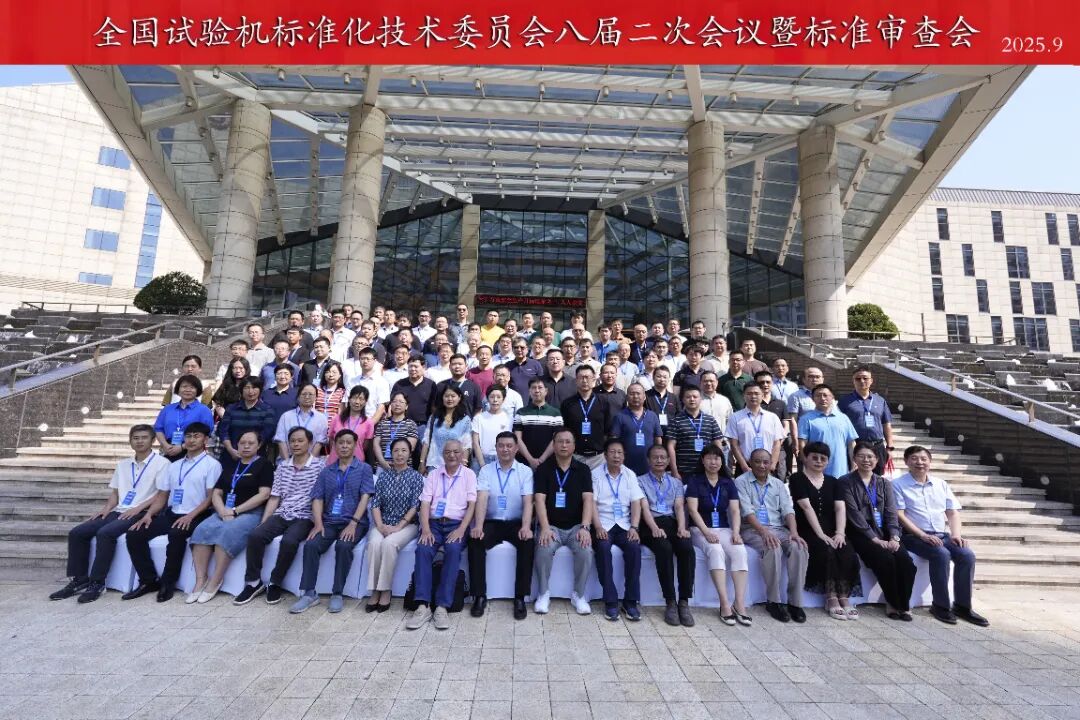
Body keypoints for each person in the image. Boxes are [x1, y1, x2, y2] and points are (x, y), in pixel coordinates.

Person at [49, 425, 168, 603]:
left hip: (141, 511)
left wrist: (139, 509)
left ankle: (97, 583)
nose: (139, 441)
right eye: (135, 438)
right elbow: (115, 493)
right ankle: (80, 579)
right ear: (130, 441)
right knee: (78, 532)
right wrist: (106, 509)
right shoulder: (123, 464)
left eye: (144, 437)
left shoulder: (162, 464)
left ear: (153, 441)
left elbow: (161, 494)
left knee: (105, 533)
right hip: (120, 510)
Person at [123, 422, 221, 602]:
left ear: (205, 440)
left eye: (196, 436)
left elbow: (210, 498)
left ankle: (168, 584)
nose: (191, 440)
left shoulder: (212, 465)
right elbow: (163, 495)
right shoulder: (174, 466)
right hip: (173, 512)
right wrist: (148, 515)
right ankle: (148, 580)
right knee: (135, 533)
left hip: (198, 514)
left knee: (176, 535)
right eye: (188, 436)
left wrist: (190, 516)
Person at [894, 445, 989, 626]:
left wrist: (956, 534)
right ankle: (940, 605)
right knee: (941, 553)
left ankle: (962, 606)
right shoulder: (898, 484)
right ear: (906, 462)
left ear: (930, 462)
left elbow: (952, 512)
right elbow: (900, 515)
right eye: (914, 459)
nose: (919, 462)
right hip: (913, 536)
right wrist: (922, 535)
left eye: (924, 459)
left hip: (941, 535)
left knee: (967, 555)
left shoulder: (941, 484)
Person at [288, 429, 376, 613]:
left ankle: (337, 593)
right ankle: (309, 593)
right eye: (340, 443)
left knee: (343, 546)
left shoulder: (364, 469)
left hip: (354, 522)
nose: (344, 446)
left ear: (355, 445)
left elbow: (365, 497)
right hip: (329, 522)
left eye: (348, 443)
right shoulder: (326, 471)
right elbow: (317, 498)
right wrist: (318, 523)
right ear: (334, 446)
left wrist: (353, 523)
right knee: (311, 545)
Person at [235, 427, 324, 606]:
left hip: (305, 516)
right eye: (292, 441)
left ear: (310, 443)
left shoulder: (319, 466)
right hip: (282, 513)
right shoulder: (283, 466)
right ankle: (253, 582)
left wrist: (318, 521)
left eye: (300, 440)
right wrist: (264, 521)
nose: (296, 444)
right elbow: (275, 497)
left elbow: (320, 498)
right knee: (256, 535)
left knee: (289, 541)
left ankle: (275, 582)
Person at [187, 430, 273, 604]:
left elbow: (264, 494)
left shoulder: (264, 465)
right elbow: (217, 493)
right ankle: (201, 579)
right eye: (242, 443)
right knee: (202, 530)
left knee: (227, 532)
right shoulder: (231, 465)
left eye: (251, 443)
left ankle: (216, 580)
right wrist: (222, 510)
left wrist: (235, 511)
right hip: (224, 511)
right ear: (237, 445)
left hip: (250, 513)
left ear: (259, 445)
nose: (246, 446)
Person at [406, 441, 478, 631]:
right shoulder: (433, 474)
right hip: (434, 524)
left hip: (456, 524)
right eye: (447, 452)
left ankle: (442, 606)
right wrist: (426, 529)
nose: (452, 455)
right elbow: (425, 504)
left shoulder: (469, 475)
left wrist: (462, 529)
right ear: (442, 454)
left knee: (453, 550)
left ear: (462, 454)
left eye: (456, 452)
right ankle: (422, 605)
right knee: (422, 549)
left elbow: (472, 505)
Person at [842, 441, 916, 621]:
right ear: (854, 459)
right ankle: (892, 603)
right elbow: (854, 514)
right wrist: (874, 539)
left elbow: (891, 512)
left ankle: (904, 604)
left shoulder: (884, 483)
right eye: (861, 456)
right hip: (861, 534)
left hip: (885, 532)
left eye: (870, 457)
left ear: (876, 460)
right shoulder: (845, 482)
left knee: (906, 562)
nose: (866, 460)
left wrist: (895, 537)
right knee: (885, 560)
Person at [789, 442, 862, 621]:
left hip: (832, 529)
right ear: (805, 458)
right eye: (814, 457)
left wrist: (840, 533)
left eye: (823, 458)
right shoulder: (797, 478)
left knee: (846, 551)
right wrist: (820, 534)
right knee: (826, 550)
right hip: (807, 529)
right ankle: (831, 598)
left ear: (828, 461)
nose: (818, 461)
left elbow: (840, 508)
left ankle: (843, 596)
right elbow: (806, 507)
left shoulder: (833, 481)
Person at [737, 448, 810, 624]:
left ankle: (795, 602)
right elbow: (747, 512)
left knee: (799, 547)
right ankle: (774, 601)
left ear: (771, 464)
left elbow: (788, 510)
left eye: (765, 462)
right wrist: (764, 532)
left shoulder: (777, 483)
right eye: (757, 461)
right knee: (773, 546)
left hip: (779, 528)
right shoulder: (741, 482)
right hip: (753, 529)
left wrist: (794, 533)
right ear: (750, 462)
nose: (762, 466)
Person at [468, 432, 535, 620]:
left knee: (528, 542)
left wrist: (526, 526)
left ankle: (520, 597)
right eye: (501, 445)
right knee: (475, 541)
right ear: (496, 448)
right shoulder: (486, 471)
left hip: (516, 523)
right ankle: (479, 596)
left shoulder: (525, 471)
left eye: (509, 446)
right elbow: (482, 498)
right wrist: (478, 525)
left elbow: (528, 501)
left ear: (516, 448)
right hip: (492, 522)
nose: (505, 449)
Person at [685, 445, 751, 626]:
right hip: (700, 529)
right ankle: (724, 603)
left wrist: (736, 532)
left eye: (717, 458)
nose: (713, 462)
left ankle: (739, 603)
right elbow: (692, 510)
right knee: (715, 550)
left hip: (724, 529)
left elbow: (735, 511)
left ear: (722, 461)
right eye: (709, 458)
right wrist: (706, 532)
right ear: (703, 460)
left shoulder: (728, 482)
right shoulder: (695, 481)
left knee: (739, 551)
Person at [532, 428, 595, 616]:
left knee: (585, 550)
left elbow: (588, 500)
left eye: (568, 442)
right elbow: (539, 500)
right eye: (560, 441)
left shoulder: (583, 469)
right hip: (551, 526)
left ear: (574, 446)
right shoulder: (544, 469)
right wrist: (544, 527)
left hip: (576, 526)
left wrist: (585, 527)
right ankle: (543, 593)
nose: (564, 445)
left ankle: (579, 595)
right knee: (543, 548)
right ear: (553, 445)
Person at [637, 444, 696, 627]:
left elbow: (678, 506)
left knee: (686, 548)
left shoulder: (676, 482)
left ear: (669, 460)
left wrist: (682, 527)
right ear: (648, 460)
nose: (659, 460)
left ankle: (684, 601)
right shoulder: (640, 481)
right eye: (655, 457)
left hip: (671, 522)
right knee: (664, 548)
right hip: (650, 524)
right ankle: (670, 601)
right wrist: (654, 528)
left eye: (663, 457)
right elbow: (644, 508)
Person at [364, 438, 426, 611]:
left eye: (404, 450)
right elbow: (375, 504)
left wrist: (398, 527)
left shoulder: (416, 477)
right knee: (374, 543)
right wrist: (380, 526)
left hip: (407, 525)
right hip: (383, 523)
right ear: (391, 453)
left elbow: (415, 506)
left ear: (409, 454)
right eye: (396, 450)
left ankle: (385, 589)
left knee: (389, 544)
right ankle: (374, 590)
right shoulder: (384, 476)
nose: (400, 454)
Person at [590, 439, 643, 621]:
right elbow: (592, 503)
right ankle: (610, 601)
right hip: (603, 523)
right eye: (612, 452)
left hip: (624, 525)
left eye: (620, 452)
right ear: (605, 455)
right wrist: (597, 526)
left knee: (634, 548)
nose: (616, 456)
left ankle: (630, 601)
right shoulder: (596, 474)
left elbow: (636, 503)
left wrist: (634, 527)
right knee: (603, 548)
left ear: (624, 456)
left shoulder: (630, 475)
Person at [839, 366, 895, 475]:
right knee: (855, 479)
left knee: (877, 478)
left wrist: (890, 447)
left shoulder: (880, 400)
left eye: (865, 378)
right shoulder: (844, 401)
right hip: (856, 446)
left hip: (877, 446)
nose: (862, 381)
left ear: (871, 381)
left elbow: (886, 424)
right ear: (853, 381)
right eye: (858, 379)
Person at [797, 384, 858, 479]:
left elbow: (851, 443)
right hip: (817, 472)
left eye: (825, 395)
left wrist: (854, 463)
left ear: (832, 397)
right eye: (818, 395)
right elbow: (802, 445)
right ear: (813, 399)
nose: (822, 398)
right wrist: (806, 463)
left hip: (841, 471)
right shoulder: (806, 419)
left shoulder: (843, 418)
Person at [726, 382, 787, 476]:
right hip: (745, 467)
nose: (753, 396)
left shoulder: (772, 417)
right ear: (744, 396)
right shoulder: (735, 417)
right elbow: (734, 444)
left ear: (762, 395)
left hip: (768, 467)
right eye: (749, 393)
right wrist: (744, 466)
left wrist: (772, 465)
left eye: (756, 393)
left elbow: (777, 443)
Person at [665, 386, 724, 480]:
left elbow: (718, 444)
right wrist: (674, 471)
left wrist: (719, 467)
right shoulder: (676, 420)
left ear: (700, 399)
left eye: (695, 397)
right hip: (684, 471)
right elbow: (671, 447)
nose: (692, 399)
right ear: (683, 400)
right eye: (688, 397)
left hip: (707, 471)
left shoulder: (710, 420)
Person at [560, 365, 612, 471]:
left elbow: (608, 429)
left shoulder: (603, 402)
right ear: (576, 381)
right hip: (575, 456)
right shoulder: (567, 404)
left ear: (594, 380)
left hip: (598, 457)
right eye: (581, 377)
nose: (584, 381)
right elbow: (565, 429)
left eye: (587, 377)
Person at [154, 375, 214, 462]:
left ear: (197, 390)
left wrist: (182, 447)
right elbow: (158, 429)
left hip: (193, 451)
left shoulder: (204, 410)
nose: (188, 390)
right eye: (184, 386)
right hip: (168, 450)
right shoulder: (168, 409)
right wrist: (165, 445)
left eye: (192, 387)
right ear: (178, 389)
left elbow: (206, 433)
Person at [609, 383, 663, 476]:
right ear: (627, 397)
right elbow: (614, 441)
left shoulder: (652, 416)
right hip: (626, 468)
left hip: (649, 467)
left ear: (644, 397)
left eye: (638, 393)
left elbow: (658, 440)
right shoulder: (619, 416)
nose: (635, 396)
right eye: (632, 394)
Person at [217, 377, 276, 460]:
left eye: (254, 388)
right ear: (241, 390)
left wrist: (252, 449)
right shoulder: (231, 408)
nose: (250, 391)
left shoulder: (267, 410)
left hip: (257, 455)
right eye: (247, 388)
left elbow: (267, 432)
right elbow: (223, 431)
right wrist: (230, 450)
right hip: (232, 454)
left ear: (260, 390)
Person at [420, 384, 473, 471]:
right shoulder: (434, 418)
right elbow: (426, 441)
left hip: (456, 465)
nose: (450, 399)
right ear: (442, 398)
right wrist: (422, 462)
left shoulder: (465, 419)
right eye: (446, 396)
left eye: (453, 396)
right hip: (434, 465)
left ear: (459, 398)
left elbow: (466, 444)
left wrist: (463, 464)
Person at [513, 376, 561, 469]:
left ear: (546, 391)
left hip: (548, 462)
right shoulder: (521, 412)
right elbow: (517, 439)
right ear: (529, 391)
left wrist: (542, 459)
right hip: (524, 462)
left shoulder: (555, 413)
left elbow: (556, 439)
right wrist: (530, 459)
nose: (537, 390)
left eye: (540, 387)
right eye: (533, 388)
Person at [274, 384, 329, 461]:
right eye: (304, 394)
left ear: (316, 397)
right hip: (287, 460)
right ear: (298, 396)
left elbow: (319, 443)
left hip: (311, 463)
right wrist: (288, 463)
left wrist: (308, 463)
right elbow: (281, 441)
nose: (307, 397)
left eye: (310, 394)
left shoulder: (321, 418)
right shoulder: (286, 416)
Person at [754, 371, 792, 481]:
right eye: (761, 382)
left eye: (768, 382)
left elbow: (786, 425)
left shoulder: (781, 403)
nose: (765, 385)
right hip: (759, 447)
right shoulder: (752, 404)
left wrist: (779, 441)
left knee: (780, 476)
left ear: (772, 383)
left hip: (779, 447)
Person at [326, 385, 375, 464]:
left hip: (356, 463)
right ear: (349, 399)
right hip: (335, 462)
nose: (357, 402)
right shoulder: (336, 419)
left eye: (361, 399)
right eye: (355, 398)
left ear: (366, 402)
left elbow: (364, 446)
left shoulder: (368, 423)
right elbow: (331, 440)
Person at [373, 392, 420, 471]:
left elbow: (410, 448)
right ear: (390, 404)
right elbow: (376, 445)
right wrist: (383, 462)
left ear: (406, 406)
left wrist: (396, 464)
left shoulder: (411, 424)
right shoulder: (382, 423)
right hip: (382, 466)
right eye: (394, 401)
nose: (397, 404)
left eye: (401, 402)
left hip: (403, 468)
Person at [472, 385, 513, 469]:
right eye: (492, 397)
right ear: (487, 398)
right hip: (481, 458)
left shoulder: (509, 419)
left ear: (503, 399)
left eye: (498, 397)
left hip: (502, 459)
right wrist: (482, 464)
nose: (495, 400)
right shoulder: (478, 418)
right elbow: (475, 443)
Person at [345, 346, 390, 424]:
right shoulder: (352, 381)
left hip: (373, 422)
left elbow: (381, 407)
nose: (365, 361)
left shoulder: (382, 382)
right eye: (362, 358)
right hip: (353, 422)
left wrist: (369, 425)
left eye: (368, 359)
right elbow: (347, 402)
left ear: (374, 361)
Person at [392, 356, 437, 427]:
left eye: (416, 366)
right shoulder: (399, 384)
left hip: (423, 425)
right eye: (410, 366)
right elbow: (392, 404)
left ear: (423, 367)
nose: (413, 369)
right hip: (402, 425)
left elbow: (434, 407)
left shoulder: (431, 385)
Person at [261, 365, 299, 430]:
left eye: (286, 374)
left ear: (291, 377)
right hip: (267, 431)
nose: (282, 376)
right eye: (279, 373)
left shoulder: (297, 394)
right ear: (275, 376)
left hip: (290, 430)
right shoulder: (266, 394)